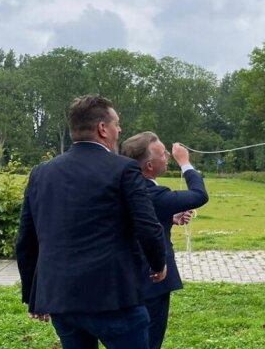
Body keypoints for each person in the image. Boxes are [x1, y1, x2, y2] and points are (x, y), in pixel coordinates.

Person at [17, 95, 168, 349]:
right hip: (113, 298)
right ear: (102, 128)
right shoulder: (124, 169)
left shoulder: (42, 172)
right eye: (116, 124)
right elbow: (147, 227)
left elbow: (26, 238)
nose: (119, 130)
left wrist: (34, 294)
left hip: (62, 299)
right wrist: (158, 264)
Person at [121, 132, 209, 349]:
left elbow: (136, 220)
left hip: (122, 278)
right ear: (149, 165)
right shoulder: (152, 193)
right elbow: (199, 195)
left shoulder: (121, 186)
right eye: (163, 153)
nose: (168, 155)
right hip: (152, 279)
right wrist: (185, 162)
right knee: (150, 340)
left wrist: (167, 218)